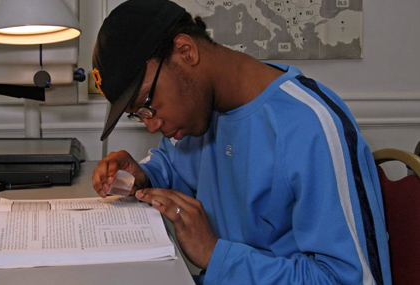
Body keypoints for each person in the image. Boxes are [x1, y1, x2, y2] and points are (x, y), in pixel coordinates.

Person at [91, 0, 391, 284]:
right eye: (138, 115)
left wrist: (215, 255)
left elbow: (351, 279)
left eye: (147, 104)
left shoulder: (311, 127)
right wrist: (141, 176)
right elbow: (174, 166)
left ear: (185, 52)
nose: (152, 124)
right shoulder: (200, 116)